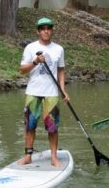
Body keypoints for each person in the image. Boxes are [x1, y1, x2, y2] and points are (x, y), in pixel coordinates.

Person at [17, 17, 70, 167]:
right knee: (30, 125)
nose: (46, 31)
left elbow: (60, 71)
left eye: (48, 28)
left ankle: (54, 157)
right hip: (33, 91)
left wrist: (63, 90)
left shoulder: (59, 49)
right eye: (43, 29)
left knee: (52, 127)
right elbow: (22, 70)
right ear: (38, 31)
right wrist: (35, 62)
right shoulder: (30, 48)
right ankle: (28, 156)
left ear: (52, 30)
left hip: (52, 93)